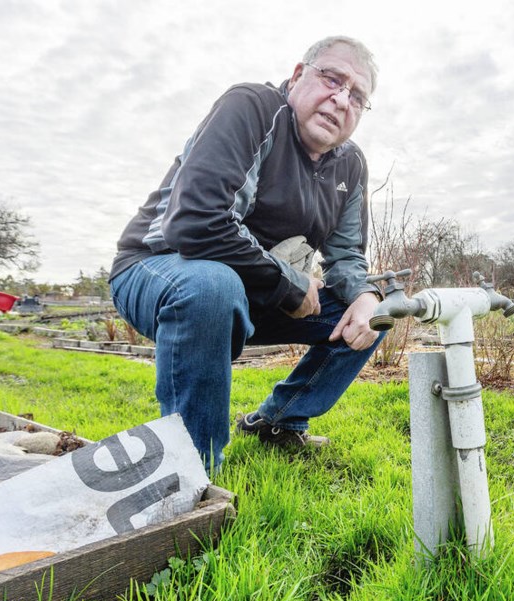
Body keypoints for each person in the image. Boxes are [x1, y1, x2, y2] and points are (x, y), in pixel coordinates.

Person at [108, 36, 385, 472]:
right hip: (158, 269)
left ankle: (278, 422)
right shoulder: (253, 108)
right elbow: (196, 222)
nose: (341, 98)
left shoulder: (351, 164)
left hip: (256, 292)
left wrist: (369, 296)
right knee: (212, 285)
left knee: (375, 315)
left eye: (357, 96)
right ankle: (194, 470)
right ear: (297, 76)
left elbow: (347, 256)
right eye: (332, 78)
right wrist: (289, 284)